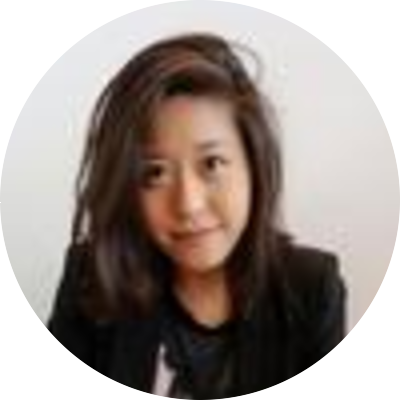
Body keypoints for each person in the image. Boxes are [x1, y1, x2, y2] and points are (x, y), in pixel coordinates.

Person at [47, 32, 346, 398]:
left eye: (212, 163)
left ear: (253, 164)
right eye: (154, 173)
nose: (188, 204)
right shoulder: (91, 279)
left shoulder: (312, 289)